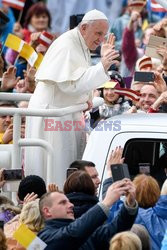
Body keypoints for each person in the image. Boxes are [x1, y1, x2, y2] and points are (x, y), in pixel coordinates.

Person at [25, 9, 119, 187]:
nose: (100, 39)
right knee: (56, 170)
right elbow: (69, 85)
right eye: (98, 33)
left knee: (69, 166)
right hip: (52, 115)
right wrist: (102, 66)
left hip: (65, 113)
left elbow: (78, 77)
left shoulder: (80, 42)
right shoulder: (67, 44)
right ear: (84, 28)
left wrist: (86, 98)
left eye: (103, 34)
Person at [38, 179, 138, 249]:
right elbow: (72, 234)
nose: (71, 205)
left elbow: (115, 229)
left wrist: (130, 204)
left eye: (69, 201)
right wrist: (106, 202)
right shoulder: (44, 237)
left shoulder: (84, 231)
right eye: (63, 202)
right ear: (47, 211)